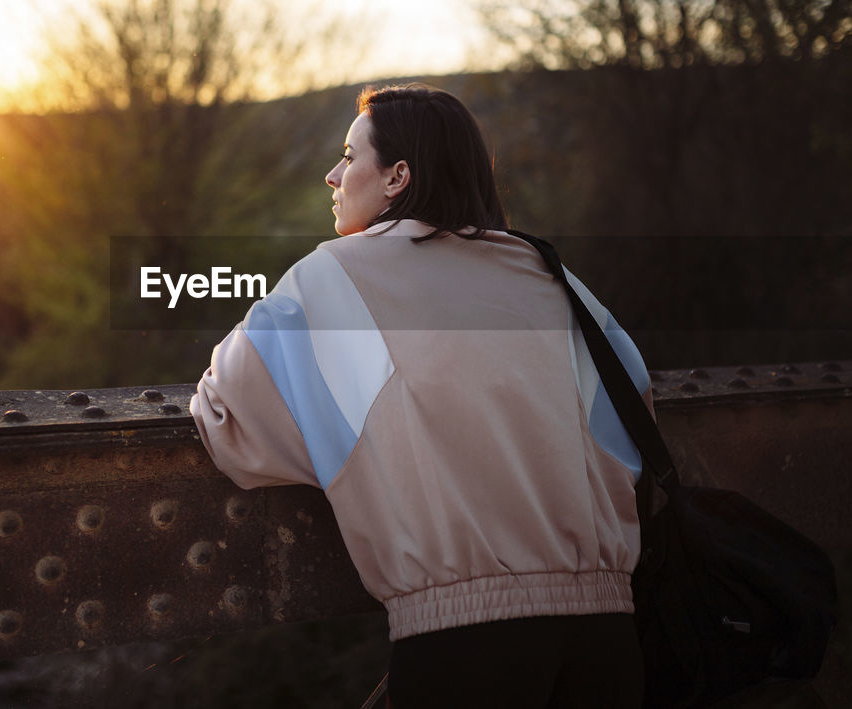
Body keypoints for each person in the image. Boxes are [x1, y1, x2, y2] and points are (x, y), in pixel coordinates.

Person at [189, 84, 650, 707]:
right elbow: (632, 410)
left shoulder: (333, 276)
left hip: (466, 646)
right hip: (611, 637)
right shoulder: (549, 273)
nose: (333, 175)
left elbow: (228, 421)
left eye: (349, 157)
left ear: (397, 176)